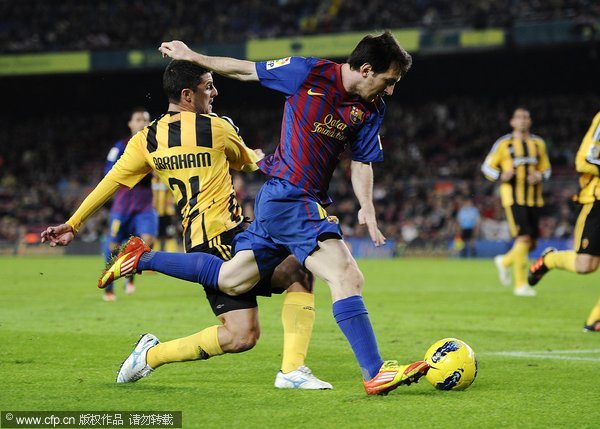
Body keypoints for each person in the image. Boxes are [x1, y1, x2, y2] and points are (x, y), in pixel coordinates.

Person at [93, 31, 430, 395]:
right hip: (289, 196)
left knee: (232, 280)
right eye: (389, 81)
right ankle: (373, 371)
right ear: (366, 69)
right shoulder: (308, 73)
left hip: (286, 201)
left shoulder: (372, 107)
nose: (391, 91)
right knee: (346, 275)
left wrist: (368, 208)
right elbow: (244, 70)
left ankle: (142, 259)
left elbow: (362, 162)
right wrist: (193, 54)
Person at [41, 60, 331, 390]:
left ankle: (150, 356)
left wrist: (73, 224)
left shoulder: (146, 140)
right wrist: (256, 155)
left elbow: (109, 183)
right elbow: (248, 164)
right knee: (299, 269)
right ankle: (292, 370)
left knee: (241, 336)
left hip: (200, 242)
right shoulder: (217, 127)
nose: (215, 91)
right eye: (208, 85)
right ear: (187, 94)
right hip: (228, 235)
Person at [528, 112, 600, 331]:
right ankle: (550, 260)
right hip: (597, 201)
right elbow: (584, 160)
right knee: (585, 265)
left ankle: (594, 320)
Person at [481, 107, 551, 297]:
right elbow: (487, 167)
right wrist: (501, 175)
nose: (522, 120)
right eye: (518, 118)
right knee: (524, 238)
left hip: (534, 198)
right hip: (513, 198)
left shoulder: (538, 143)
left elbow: (547, 169)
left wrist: (539, 175)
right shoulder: (503, 143)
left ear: (530, 121)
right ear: (512, 122)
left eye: (525, 117)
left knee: (532, 243)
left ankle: (504, 261)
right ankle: (520, 285)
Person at [101, 107, 157, 301]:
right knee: (113, 246)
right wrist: (138, 172)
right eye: (138, 120)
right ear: (130, 124)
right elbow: (108, 170)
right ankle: (109, 286)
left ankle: (130, 274)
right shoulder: (120, 146)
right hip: (123, 206)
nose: (142, 123)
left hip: (145, 206)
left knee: (146, 240)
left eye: (146, 120)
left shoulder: (156, 146)